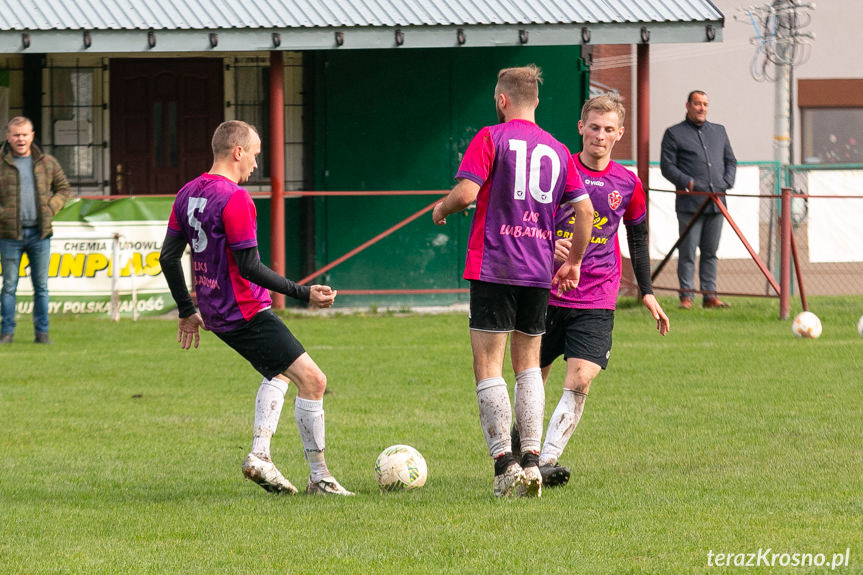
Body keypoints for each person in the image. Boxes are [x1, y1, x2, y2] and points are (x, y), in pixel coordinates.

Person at [159, 120, 352, 496]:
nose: (256, 165)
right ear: (237, 152)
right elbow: (249, 267)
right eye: (255, 155)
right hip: (246, 311)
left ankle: (261, 454)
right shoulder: (235, 199)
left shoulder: (187, 193)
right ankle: (320, 478)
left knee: (280, 374)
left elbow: (168, 256)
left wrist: (186, 308)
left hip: (217, 312)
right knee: (314, 381)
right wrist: (304, 292)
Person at [432, 65, 594, 498]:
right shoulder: (559, 150)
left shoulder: (490, 137)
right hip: (538, 271)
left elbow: (466, 194)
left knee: (489, 366)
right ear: (535, 101)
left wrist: (442, 209)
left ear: (502, 100)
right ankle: (532, 460)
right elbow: (585, 213)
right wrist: (574, 260)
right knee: (527, 366)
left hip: (495, 265)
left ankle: (505, 463)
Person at [511, 93, 670, 487]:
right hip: (545, 292)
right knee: (534, 380)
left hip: (597, 295)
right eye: (593, 127)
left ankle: (545, 462)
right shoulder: (557, 169)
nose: (600, 135)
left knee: (581, 379)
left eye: (608, 129)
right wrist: (550, 248)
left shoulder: (627, 182)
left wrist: (647, 290)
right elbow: (527, 220)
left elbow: (638, 235)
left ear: (619, 134)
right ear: (581, 128)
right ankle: (519, 454)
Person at [660, 90, 737, 309]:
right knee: (687, 252)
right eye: (697, 104)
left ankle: (709, 296)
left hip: (717, 202)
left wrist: (726, 182)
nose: (701, 108)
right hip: (689, 204)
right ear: (688, 106)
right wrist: (689, 183)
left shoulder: (719, 132)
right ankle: (686, 297)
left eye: (705, 104)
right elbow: (668, 167)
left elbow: (730, 161)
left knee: (711, 252)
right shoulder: (674, 133)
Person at [0, 116, 71, 344]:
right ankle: (7, 333)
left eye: (24, 134)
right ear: (8, 137)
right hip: (9, 235)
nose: (20, 139)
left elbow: (64, 189)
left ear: (32, 136)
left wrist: (50, 208)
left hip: (40, 234)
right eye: (16, 135)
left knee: (41, 287)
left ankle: (42, 333)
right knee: (9, 286)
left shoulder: (47, 162)